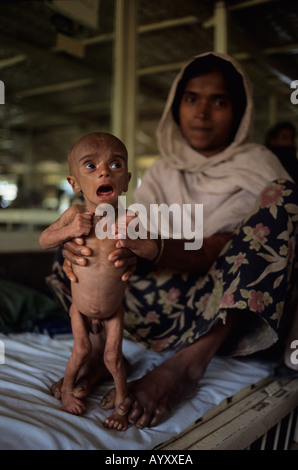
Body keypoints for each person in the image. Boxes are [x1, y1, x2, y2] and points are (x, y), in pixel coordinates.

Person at [49, 52, 298, 430]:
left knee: (286, 199)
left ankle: (187, 366)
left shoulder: (260, 167)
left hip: (225, 310)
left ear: (240, 110)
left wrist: (152, 247)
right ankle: (101, 353)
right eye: (191, 98)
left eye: (219, 101)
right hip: (159, 306)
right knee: (79, 233)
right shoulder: (164, 170)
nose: (201, 112)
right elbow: (138, 235)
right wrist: (94, 249)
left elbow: (220, 253)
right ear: (176, 105)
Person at [39, 132, 133, 431]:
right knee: (79, 351)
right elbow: (44, 239)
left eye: (115, 165)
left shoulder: (128, 218)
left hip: (113, 309)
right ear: (75, 183)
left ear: (126, 181)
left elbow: (151, 248)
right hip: (79, 308)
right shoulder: (76, 213)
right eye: (90, 166)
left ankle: (121, 404)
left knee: (114, 358)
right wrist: (68, 231)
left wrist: (136, 241)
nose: (104, 171)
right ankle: (67, 392)